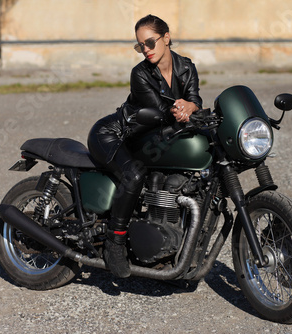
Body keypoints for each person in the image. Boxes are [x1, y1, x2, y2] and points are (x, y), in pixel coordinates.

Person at [87, 14, 202, 278]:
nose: (146, 50)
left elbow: (194, 99)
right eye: (141, 46)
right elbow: (160, 111)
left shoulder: (186, 67)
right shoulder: (140, 74)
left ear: (167, 37)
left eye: (150, 42)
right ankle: (114, 244)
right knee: (135, 174)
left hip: (148, 135)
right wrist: (184, 110)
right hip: (113, 134)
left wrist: (192, 106)